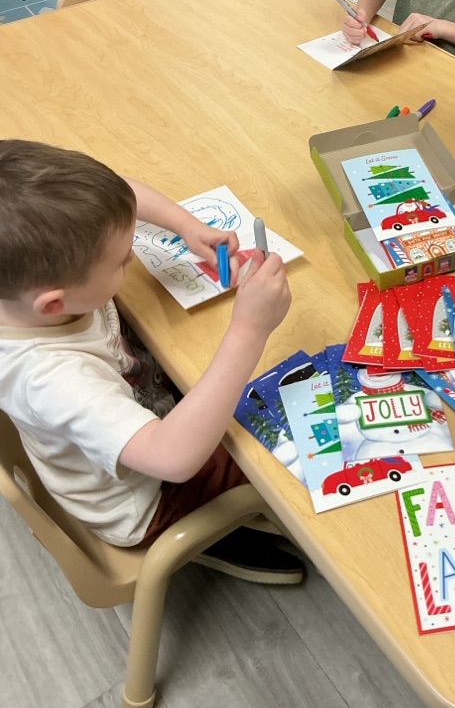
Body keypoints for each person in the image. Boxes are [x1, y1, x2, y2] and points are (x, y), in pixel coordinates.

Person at [0, 139, 303, 584]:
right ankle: (217, 537)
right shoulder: (50, 378)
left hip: (134, 419)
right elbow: (174, 459)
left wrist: (187, 226)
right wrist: (248, 330)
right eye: (123, 260)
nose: (133, 258)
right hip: (144, 499)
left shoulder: (22, 290)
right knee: (280, 443)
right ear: (53, 304)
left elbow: (122, 191)